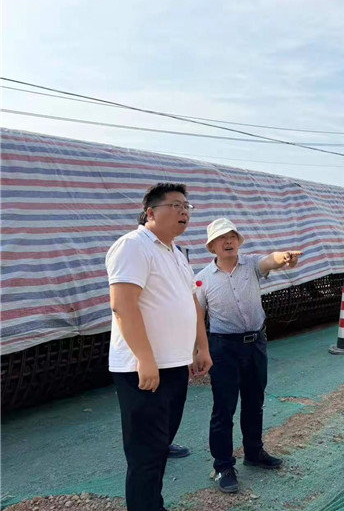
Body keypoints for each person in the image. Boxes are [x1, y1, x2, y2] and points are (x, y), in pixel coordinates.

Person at [107, 182, 212, 511]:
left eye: (187, 207)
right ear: (150, 212)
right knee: (145, 454)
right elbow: (123, 305)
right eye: (175, 205)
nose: (184, 212)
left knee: (160, 445)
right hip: (143, 370)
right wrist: (145, 359)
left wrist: (201, 347)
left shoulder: (176, 253)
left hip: (174, 365)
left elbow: (191, 303)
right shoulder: (133, 246)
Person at [195, 218, 302, 494]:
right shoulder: (202, 279)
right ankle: (223, 466)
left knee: (255, 402)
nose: (228, 241)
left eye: (232, 236)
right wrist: (200, 351)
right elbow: (197, 317)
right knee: (224, 408)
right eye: (222, 238)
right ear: (212, 246)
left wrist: (284, 257)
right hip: (223, 348)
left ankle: (254, 452)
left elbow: (270, 260)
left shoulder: (252, 265)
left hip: (255, 343)